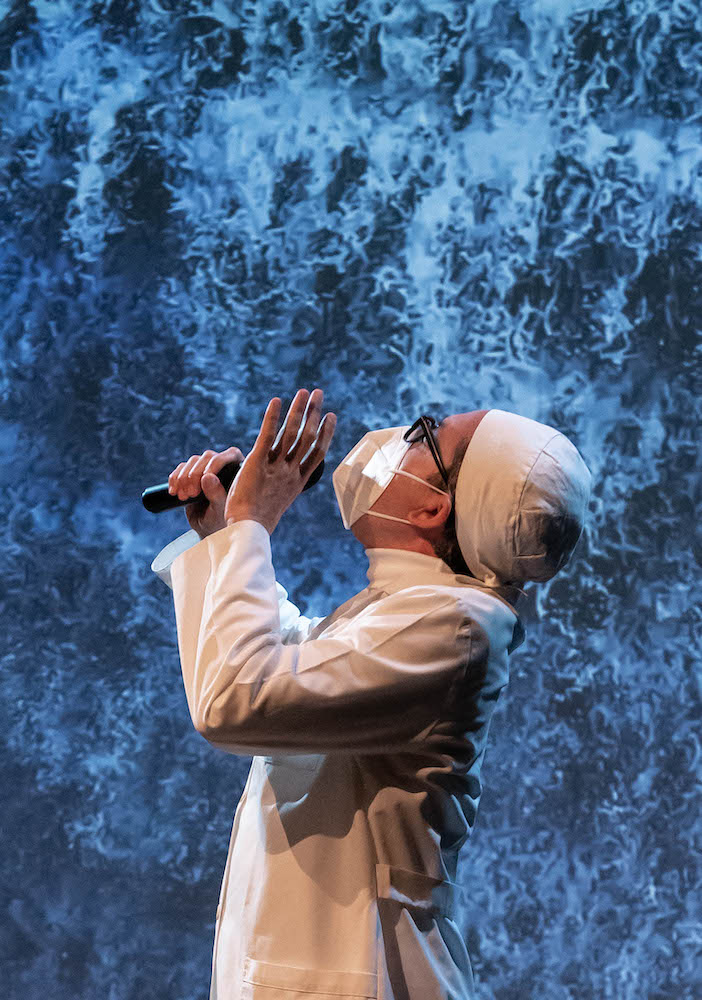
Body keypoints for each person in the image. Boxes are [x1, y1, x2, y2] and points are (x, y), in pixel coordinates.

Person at [150, 387, 592, 1000]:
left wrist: (252, 525)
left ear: (434, 511)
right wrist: (225, 536)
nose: (403, 436)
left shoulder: (456, 625)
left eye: (425, 435)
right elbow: (290, 665)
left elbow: (237, 698)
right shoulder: (419, 607)